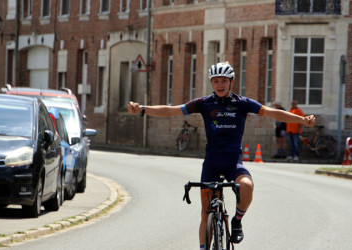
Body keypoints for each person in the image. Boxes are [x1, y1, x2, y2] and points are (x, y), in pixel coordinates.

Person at [127, 62, 316, 249]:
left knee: (247, 186)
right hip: (212, 163)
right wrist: (143, 108)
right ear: (211, 83)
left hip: (233, 162)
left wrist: (302, 120)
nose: (220, 85)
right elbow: (173, 110)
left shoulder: (242, 103)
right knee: (205, 213)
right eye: (216, 81)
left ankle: (237, 220)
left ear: (231, 81)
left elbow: (273, 113)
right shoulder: (204, 103)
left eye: (224, 81)